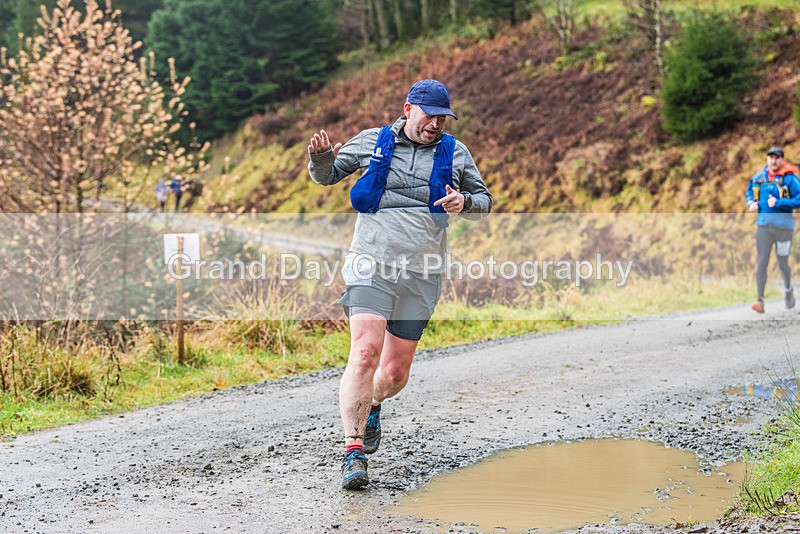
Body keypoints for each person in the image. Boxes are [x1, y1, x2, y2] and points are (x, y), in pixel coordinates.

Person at [307, 79, 492, 490]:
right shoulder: (372, 141)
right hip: (371, 263)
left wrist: (466, 202)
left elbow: (485, 200)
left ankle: (372, 403)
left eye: (444, 117)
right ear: (409, 109)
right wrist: (320, 158)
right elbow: (326, 176)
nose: (436, 124)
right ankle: (353, 451)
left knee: (393, 374)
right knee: (366, 350)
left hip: (422, 271)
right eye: (430, 114)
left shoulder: (454, 151)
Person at [746, 146, 800, 313]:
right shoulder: (758, 178)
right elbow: (749, 192)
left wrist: (778, 203)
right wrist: (751, 203)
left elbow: (799, 200)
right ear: (767, 159)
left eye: (777, 157)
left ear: (782, 160)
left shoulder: (790, 179)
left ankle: (788, 290)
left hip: (784, 228)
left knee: (782, 262)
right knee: (762, 261)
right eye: (771, 157)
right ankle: (760, 300)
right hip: (764, 227)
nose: (773, 160)